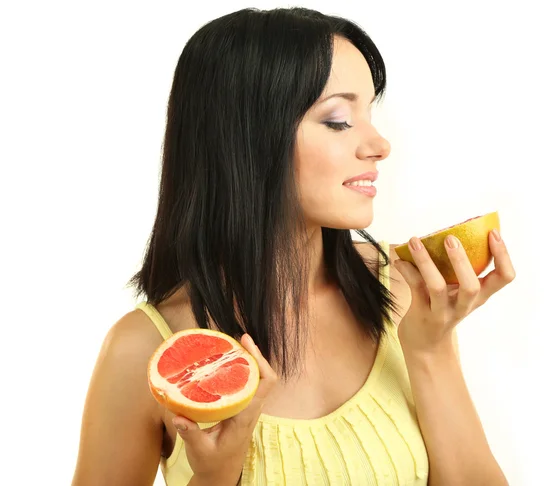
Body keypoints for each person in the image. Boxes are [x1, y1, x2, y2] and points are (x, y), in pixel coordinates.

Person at [71, 6, 516, 486]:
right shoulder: (145, 353)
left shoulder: (403, 290)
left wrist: (431, 352)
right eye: (340, 120)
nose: (380, 144)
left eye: (370, 112)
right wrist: (216, 477)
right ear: (247, 137)